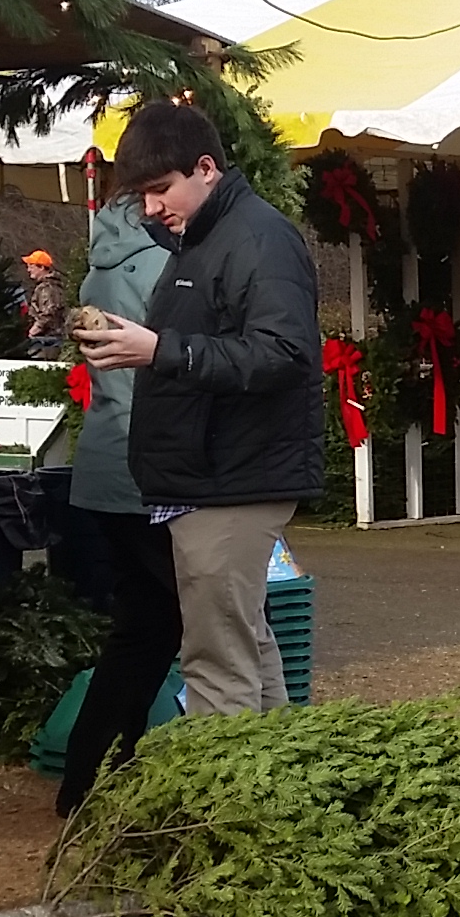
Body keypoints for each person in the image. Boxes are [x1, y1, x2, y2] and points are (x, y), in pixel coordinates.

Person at [79, 102, 319, 716]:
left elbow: (283, 353)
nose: (152, 208)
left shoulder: (259, 239)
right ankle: (272, 793)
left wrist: (159, 350)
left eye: (161, 190)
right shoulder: (206, 237)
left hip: (232, 480)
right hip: (210, 478)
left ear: (206, 169)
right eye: (143, 196)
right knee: (249, 648)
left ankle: (222, 807)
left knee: (216, 665)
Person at [55, 200, 181, 815]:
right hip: (147, 467)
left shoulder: (103, 263)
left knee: (147, 628)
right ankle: (98, 774)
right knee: (192, 620)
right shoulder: (165, 264)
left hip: (107, 463)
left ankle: (96, 774)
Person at [18, 248, 69, 354]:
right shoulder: (49, 286)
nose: (28, 270)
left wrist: (33, 331)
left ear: (41, 267)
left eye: (31, 266)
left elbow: (49, 314)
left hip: (48, 342)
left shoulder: (48, 288)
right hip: (48, 339)